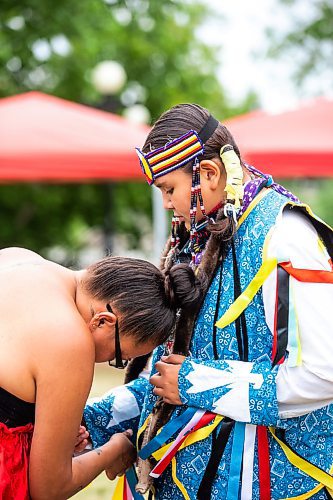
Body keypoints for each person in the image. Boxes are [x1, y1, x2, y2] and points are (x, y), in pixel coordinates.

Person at [83, 104, 333, 499]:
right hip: (189, 477)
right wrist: (96, 419)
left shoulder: (286, 239)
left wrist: (199, 383)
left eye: (169, 189)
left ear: (210, 174)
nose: (166, 204)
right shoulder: (201, 236)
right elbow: (173, 370)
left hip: (272, 479)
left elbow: (323, 373)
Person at [0, 246, 202, 499]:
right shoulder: (70, 340)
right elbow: (49, 488)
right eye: (119, 358)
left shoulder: (17, 259)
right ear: (104, 321)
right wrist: (115, 449)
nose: (100, 362)